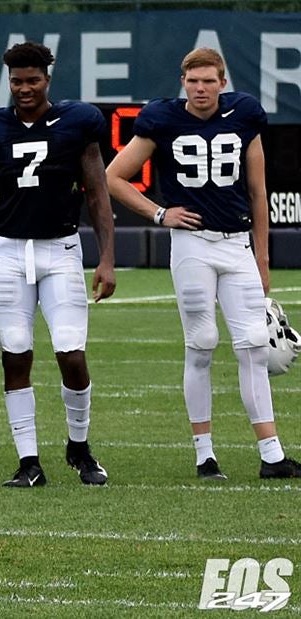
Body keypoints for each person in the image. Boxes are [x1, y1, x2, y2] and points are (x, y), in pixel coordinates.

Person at [106, 48, 299, 480]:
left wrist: (262, 256)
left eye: (209, 81)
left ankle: (272, 455)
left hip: (236, 246)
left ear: (222, 82)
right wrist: (159, 213)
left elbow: (257, 190)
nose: (201, 89)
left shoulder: (245, 114)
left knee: (253, 346)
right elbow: (113, 176)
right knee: (203, 342)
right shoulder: (163, 118)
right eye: (193, 81)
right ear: (183, 82)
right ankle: (204, 453)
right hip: (192, 243)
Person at [0, 42, 116, 488]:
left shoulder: (77, 123)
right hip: (8, 252)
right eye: (17, 82)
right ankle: (29, 462)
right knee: (16, 356)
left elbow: (99, 194)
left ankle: (79, 447)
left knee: (72, 354)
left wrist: (106, 259)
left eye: (32, 81)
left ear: (48, 79)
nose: (24, 89)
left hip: (61, 249)